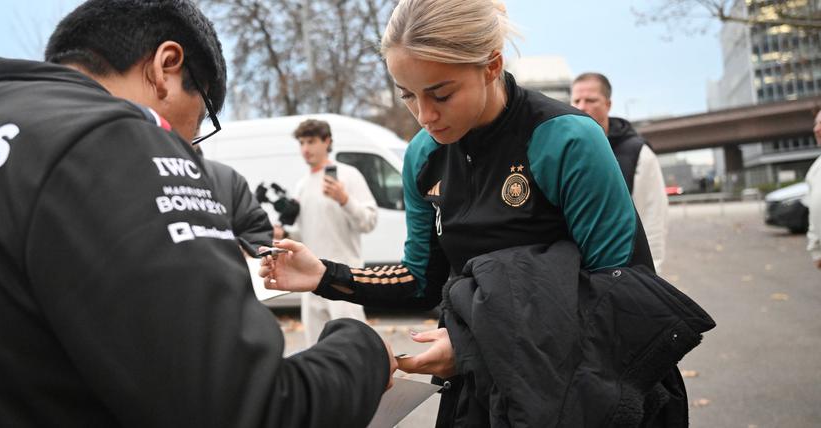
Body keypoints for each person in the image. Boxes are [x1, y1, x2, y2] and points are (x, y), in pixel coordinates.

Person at [0, 1, 395, 426]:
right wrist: (363, 349)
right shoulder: (115, 136)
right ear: (166, 68)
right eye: (200, 121)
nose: (190, 146)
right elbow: (250, 409)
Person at [259, 0, 699, 425]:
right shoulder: (423, 156)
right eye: (408, 95)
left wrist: (474, 344)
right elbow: (421, 279)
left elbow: (620, 293)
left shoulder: (565, 140)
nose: (424, 115)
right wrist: (325, 275)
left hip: (584, 390)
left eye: (441, 94)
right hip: (481, 396)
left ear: (491, 65)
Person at [287, 119, 377, 346]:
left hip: (344, 276)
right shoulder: (302, 185)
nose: (305, 149)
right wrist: (283, 235)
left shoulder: (348, 175)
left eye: (311, 141)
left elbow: (369, 221)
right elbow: (304, 234)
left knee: (352, 346)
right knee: (316, 348)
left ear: (327, 141)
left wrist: (344, 199)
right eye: (301, 143)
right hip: (310, 279)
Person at [572, 72, 669, 272]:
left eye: (590, 100)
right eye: (576, 101)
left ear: (608, 104)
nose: (581, 107)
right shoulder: (566, 151)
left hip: (625, 272)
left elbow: (653, 217)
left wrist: (652, 274)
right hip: (576, 273)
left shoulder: (638, 153)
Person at [805, 109, 821, 269]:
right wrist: (816, 249)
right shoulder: (816, 169)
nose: (816, 129)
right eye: (816, 123)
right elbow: (814, 212)